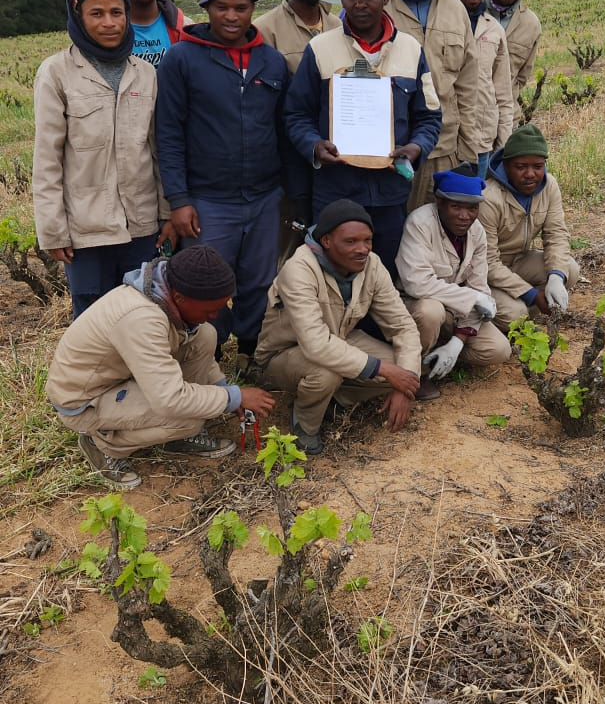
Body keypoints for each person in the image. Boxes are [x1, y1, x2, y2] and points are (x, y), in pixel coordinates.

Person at [46, 246, 276, 489]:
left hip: (119, 376)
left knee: (205, 334)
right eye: (209, 309)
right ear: (179, 298)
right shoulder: (142, 318)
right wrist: (234, 397)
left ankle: (174, 436)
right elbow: (170, 400)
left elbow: (198, 351)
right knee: (189, 420)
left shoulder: (165, 293)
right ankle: (103, 444)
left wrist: (224, 388)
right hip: (85, 399)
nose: (214, 315)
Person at [155, 0, 293, 357]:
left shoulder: (271, 62)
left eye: (241, 7)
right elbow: (168, 134)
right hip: (207, 199)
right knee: (204, 281)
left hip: (264, 196)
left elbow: (283, 130)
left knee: (258, 280)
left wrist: (287, 190)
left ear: (253, 9)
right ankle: (207, 354)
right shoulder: (181, 59)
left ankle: (252, 350)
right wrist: (179, 200)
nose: (231, 16)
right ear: (206, 8)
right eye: (222, 7)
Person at [32, 0, 174, 319]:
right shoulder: (56, 73)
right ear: (76, 12)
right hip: (86, 230)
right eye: (97, 13)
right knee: (93, 320)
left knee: (142, 314)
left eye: (116, 12)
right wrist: (53, 231)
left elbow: (158, 151)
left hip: (142, 226)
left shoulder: (145, 74)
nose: (109, 23)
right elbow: (47, 159)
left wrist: (166, 214)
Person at [285, 0, 441, 279]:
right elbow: (296, 114)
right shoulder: (320, 50)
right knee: (332, 277)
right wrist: (314, 145)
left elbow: (429, 116)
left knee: (385, 276)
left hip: (390, 194)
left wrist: (416, 148)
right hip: (335, 192)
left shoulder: (411, 50)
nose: (359, 4)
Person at [255, 200, 421, 454]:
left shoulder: (372, 264)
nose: (362, 249)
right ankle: (305, 425)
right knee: (326, 373)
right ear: (327, 241)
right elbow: (315, 345)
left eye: (367, 240)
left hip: (340, 341)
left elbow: (403, 326)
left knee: (406, 368)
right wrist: (385, 371)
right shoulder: (298, 269)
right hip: (284, 354)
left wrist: (404, 386)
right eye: (351, 241)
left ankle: (334, 399)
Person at [255, 0, 341, 260]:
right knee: (288, 252)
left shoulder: (340, 26)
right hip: (287, 165)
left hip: (335, 161)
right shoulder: (265, 30)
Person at [385, 0, 480, 209]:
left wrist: (468, 154)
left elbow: (467, 88)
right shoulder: (377, 7)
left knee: (439, 232)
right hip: (391, 156)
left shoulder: (455, 9)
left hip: (444, 153)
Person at [395, 163, 512, 399]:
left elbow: (478, 287)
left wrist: (458, 341)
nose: (464, 216)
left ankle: (444, 354)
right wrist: (473, 297)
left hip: (454, 307)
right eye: (455, 206)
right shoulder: (420, 223)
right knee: (430, 312)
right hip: (413, 303)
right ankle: (417, 372)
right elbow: (417, 283)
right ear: (439, 202)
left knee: (498, 350)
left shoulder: (476, 231)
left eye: (471, 208)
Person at [477, 124, 580, 330]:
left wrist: (556, 277)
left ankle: (517, 312)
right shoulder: (489, 198)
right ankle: (497, 316)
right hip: (487, 274)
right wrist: (531, 294)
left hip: (519, 261)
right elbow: (487, 263)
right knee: (515, 314)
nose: (530, 174)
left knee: (569, 269)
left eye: (538, 166)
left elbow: (556, 234)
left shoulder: (549, 186)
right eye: (521, 167)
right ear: (506, 165)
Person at [446, 0, 514, 178]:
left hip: (482, 141)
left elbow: (503, 94)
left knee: (475, 198)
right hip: (445, 140)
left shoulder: (493, 29)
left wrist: (504, 145)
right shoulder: (440, 25)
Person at [484, 0, 542, 125]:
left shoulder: (530, 24)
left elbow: (522, 78)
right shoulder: (470, 13)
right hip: (468, 123)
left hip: (507, 121)